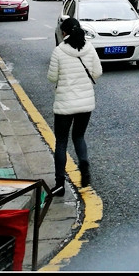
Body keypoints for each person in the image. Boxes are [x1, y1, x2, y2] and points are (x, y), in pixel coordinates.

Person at [47, 16, 102, 196]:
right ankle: (84, 166)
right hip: (85, 104)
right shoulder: (89, 48)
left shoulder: (59, 51)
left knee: (61, 142)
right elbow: (98, 72)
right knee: (79, 137)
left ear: (64, 33)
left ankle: (60, 184)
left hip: (64, 104)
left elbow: (52, 77)